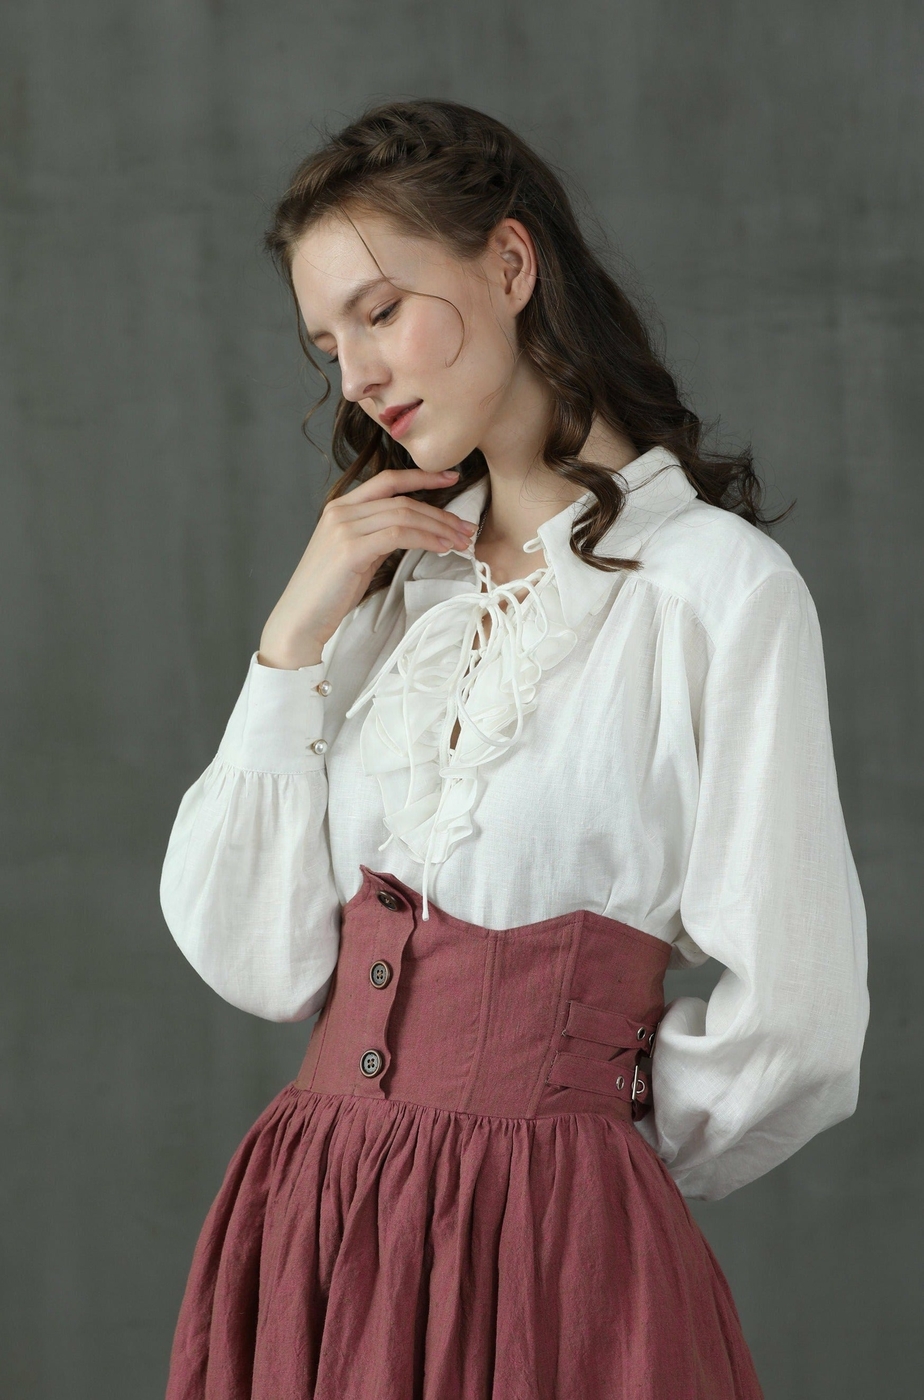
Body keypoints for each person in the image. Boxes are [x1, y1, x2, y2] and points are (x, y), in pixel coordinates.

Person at [159, 99, 869, 1399]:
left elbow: (802, 1019)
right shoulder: (389, 590)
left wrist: (581, 1146)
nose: (356, 374)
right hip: (314, 1227)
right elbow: (258, 955)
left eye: (381, 311)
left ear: (508, 262)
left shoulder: (716, 592)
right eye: (329, 342)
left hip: (552, 1248)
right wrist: (292, 636)